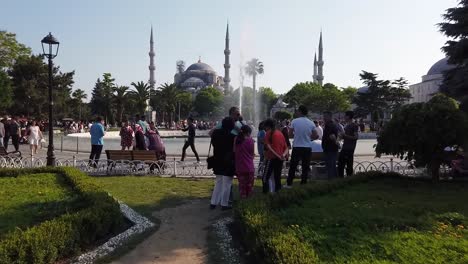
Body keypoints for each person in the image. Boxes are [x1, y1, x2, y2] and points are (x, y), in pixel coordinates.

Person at [286, 105, 318, 187]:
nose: (296, 112)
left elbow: (289, 135)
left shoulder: (294, 121)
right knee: (305, 166)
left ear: (300, 111)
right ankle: (303, 183)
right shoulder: (311, 122)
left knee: (293, 166)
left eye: (297, 111)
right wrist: (308, 137)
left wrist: (296, 135)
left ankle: (289, 184)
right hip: (307, 147)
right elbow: (316, 136)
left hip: (297, 146)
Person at [210, 117, 236, 210]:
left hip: (217, 160)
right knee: (227, 183)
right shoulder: (232, 137)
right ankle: (224, 204)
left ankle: (213, 202)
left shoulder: (216, 134)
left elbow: (212, 136)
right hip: (228, 162)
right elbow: (234, 150)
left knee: (218, 182)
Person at [263, 119, 288, 193]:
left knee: (265, 178)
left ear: (267, 126)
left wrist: (277, 155)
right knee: (277, 177)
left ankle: (265, 194)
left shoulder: (268, 133)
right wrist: (282, 156)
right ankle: (278, 193)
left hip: (271, 158)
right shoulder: (280, 133)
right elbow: (286, 147)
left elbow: (269, 148)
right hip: (280, 159)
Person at [234, 125, 255, 198]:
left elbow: (234, 151)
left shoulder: (236, 139)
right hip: (249, 167)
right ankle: (248, 204)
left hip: (240, 167)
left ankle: (243, 201)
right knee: (249, 186)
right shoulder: (250, 140)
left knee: (242, 186)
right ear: (248, 132)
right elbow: (252, 154)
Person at [338, 111, 359, 178]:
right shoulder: (346, 125)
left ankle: (348, 179)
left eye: (345, 116)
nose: (344, 117)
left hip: (350, 148)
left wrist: (345, 135)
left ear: (348, 116)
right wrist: (341, 136)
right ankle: (342, 179)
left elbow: (356, 137)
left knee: (348, 165)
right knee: (341, 164)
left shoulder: (354, 125)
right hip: (345, 146)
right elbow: (344, 136)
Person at [322, 111, 339, 178]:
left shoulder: (330, 125)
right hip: (329, 148)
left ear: (330, 117)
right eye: (324, 116)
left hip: (330, 148)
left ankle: (332, 181)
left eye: (325, 116)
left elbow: (332, 136)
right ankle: (334, 180)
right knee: (331, 166)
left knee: (330, 166)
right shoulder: (331, 125)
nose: (324, 118)